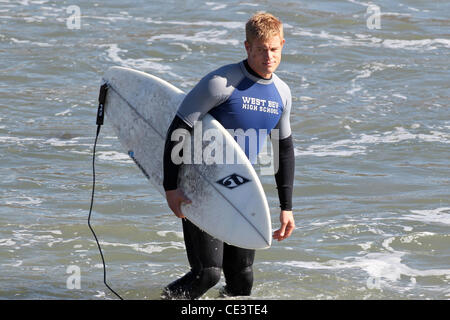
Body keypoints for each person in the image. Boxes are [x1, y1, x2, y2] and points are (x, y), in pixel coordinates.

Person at [161, 12, 295, 299]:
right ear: (247, 47)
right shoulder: (222, 83)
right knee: (207, 273)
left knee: (242, 281)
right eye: (260, 50)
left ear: (282, 44)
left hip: (242, 189)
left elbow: (282, 150)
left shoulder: (282, 93)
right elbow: (178, 130)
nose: (268, 56)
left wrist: (286, 207)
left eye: (273, 49)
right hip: (202, 187)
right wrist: (170, 188)